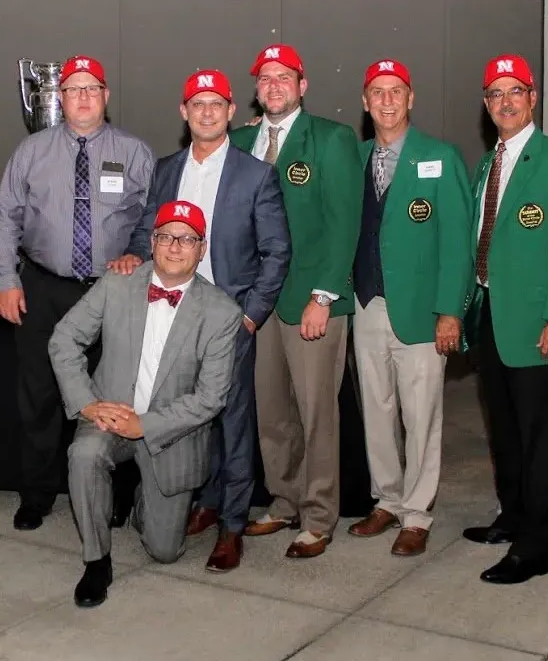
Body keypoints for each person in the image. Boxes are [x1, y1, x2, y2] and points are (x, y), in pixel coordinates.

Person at [110, 70, 291, 572]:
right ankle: (206, 502)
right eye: (197, 103)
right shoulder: (167, 170)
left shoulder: (257, 175)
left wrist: (252, 318)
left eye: (216, 103)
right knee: (190, 419)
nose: (207, 112)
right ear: (183, 112)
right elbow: (148, 226)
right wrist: (129, 254)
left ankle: (233, 526)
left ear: (232, 112)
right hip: (171, 316)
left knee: (233, 425)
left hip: (227, 320)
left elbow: (276, 252)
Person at [0, 55, 155, 532]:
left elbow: (152, 218)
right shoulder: (31, 151)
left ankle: (120, 494)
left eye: (91, 88)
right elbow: (4, 219)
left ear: (106, 96)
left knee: (116, 394)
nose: (82, 97)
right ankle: (36, 494)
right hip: (43, 287)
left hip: (112, 290)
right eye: (72, 89)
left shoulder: (136, 151)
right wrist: (5, 280)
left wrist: (139, 253)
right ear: (59, 100)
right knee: (38, 395)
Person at [50, 201, 242, 607]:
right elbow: (63, 340)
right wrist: (86, 404)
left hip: (171, 433)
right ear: (152, 242)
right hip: (110, 415)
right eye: (166, 237)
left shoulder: (222, 312)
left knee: (165, 551)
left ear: (201, 249)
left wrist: (146, 426)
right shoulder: (117, 284)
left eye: (187, 239)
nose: (175, 247)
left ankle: (137, 499)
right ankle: (96, 562)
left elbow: (211, 398)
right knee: (84, 454)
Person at [460, 54, 548, 584]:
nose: (505, 102)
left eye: (515, 91)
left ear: (533, 98)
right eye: (495, 94)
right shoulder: (485, 165)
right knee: (506, 430)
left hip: (542, 323)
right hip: (491, 316)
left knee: (541, 438)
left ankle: (535, 548)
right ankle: (513, 516)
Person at [228, 43, 362, 559]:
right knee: (271, 411)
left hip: (311, 299)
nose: (275, 85)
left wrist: (323, 296)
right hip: (257, 303)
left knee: (316, 412)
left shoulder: (330, 139)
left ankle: (319, 515)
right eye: (265, 78)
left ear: (303, 86)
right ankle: (283, 501)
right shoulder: (239, 141)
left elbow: (343, 223)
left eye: (285, 77)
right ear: (256, 91)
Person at [347, 59, 473, 556]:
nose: (386, 100)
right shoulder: (353, 157)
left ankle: (417, 514)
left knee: (422, 416)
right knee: (376, 411)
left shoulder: (440, 157)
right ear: (365, 101)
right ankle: (388, 499)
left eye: (395, 91)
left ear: (411, 98)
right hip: (366, 304)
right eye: (377, 92)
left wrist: (450, 311)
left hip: (422, 310)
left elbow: (457, 242)